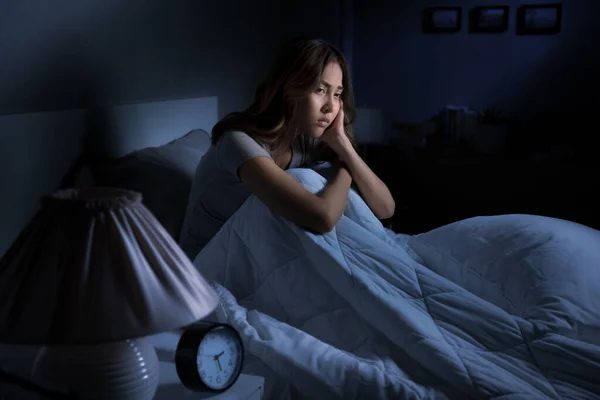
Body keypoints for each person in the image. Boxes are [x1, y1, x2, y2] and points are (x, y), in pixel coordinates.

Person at [179, 37, 395, 260]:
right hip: (210, 262)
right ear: (290, 88)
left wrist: (345, 149)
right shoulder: (237, 142)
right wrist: (344, 165)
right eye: (320, 90)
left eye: (337, 94)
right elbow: (322, 218)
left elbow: (386, 209)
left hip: (258, 253)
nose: (330, 106)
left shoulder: (305, 139)